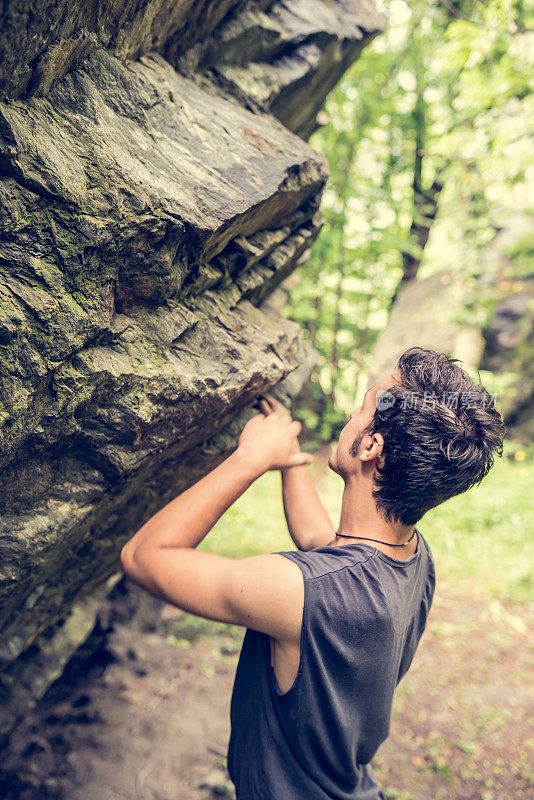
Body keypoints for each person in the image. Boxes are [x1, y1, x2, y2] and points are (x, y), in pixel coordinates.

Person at [120, 346, 505, 799]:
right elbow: (319, 539)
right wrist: (289, 462)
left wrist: (250, 460)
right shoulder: (412, 555)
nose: (352, 413)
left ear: (370, 446)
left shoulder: (297, 592)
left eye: (362, 407)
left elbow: (143, 556)